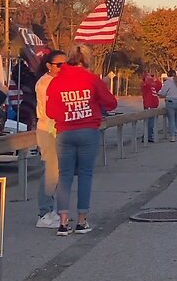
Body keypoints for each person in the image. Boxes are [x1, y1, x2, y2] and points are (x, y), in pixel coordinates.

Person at [46, 45, 118, 236]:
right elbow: (111, 103)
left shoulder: (56, 81)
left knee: (65, 176)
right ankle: (81, 220)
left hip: (65, 132)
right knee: (85, 175)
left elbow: (50, 112)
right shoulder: (91, 80)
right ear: (86, 60)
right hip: (88, 131)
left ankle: (62, 222)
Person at [35, 51, 66, 228]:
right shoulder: (44, 84)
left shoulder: (60, 81)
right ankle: (44, 213)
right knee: (50, 172)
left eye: (65, 64)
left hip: (60, 130)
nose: (63, 68)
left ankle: (52, 208)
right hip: (48, 131)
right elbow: (50, 111)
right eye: (59, 65)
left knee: (59, 173)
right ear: (49, 65)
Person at [158, 71, 177, 141]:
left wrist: (158, 94)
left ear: (168, 75)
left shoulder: (168, 82)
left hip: (171, 102)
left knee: (171, 120)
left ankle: (173, 137)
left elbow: (163, 93)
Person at [141, 71, 162, 142]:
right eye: (148, 76)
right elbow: (147, 83)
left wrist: (156, 79)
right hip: (149, 105)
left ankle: (148, 135)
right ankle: (148, 136)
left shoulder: (152, 85)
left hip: (153, 105)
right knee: (149, 122)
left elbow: (159, 86)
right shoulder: (145, 85)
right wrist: (150, 79)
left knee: (151, 122)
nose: (151, 77)